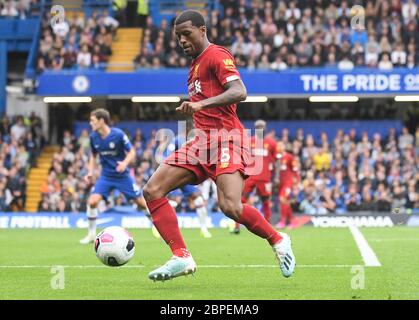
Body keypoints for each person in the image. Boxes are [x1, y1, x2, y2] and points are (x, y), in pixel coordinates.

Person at [143, 10, 295, 281]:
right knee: (153, 190)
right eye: (178, 37)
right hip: (201, 143)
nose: (182, 41)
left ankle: (278, 239)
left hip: (227, 140)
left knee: (230, 207)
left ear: (202, 30)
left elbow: (240, 91)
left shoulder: (217, 55)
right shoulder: (193, 67)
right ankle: (181, 256)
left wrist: (199, 105)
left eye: (187, 34)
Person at [79, 109, 148, 244]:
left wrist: (124, 163)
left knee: (141, 203)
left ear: (101, 120)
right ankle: (91, 234)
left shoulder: (118, 134)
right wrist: (90, 172)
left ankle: (156, 226)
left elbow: (132, 151)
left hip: (122, 175)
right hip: (106, 176)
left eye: (92, 120)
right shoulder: (93, 137)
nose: (90, 123)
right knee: (92, 202)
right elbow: (93, 156)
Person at [231, 119, 277, 234]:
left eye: (262, 126)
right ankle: (237, 226)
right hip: (250, 176)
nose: (260, 128)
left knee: (266, 201)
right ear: (255, 128)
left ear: (265, 128)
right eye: (258, 126)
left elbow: (277, 160)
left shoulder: (271, 143)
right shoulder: (248, 141)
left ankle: (268, 228)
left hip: (264, 178)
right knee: (241, 200)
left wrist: (277, 177)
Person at [274, 140, 300, 229]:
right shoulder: (277, 158)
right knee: (285, 202)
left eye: (281, 145)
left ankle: (282, 221)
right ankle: (293, 221)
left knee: (282, 199)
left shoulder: (289, 157)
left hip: (288, 183)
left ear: (284, 147)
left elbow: (295, 170)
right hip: (280, 184)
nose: (279, 148)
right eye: (278, 146)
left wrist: (296, 183)